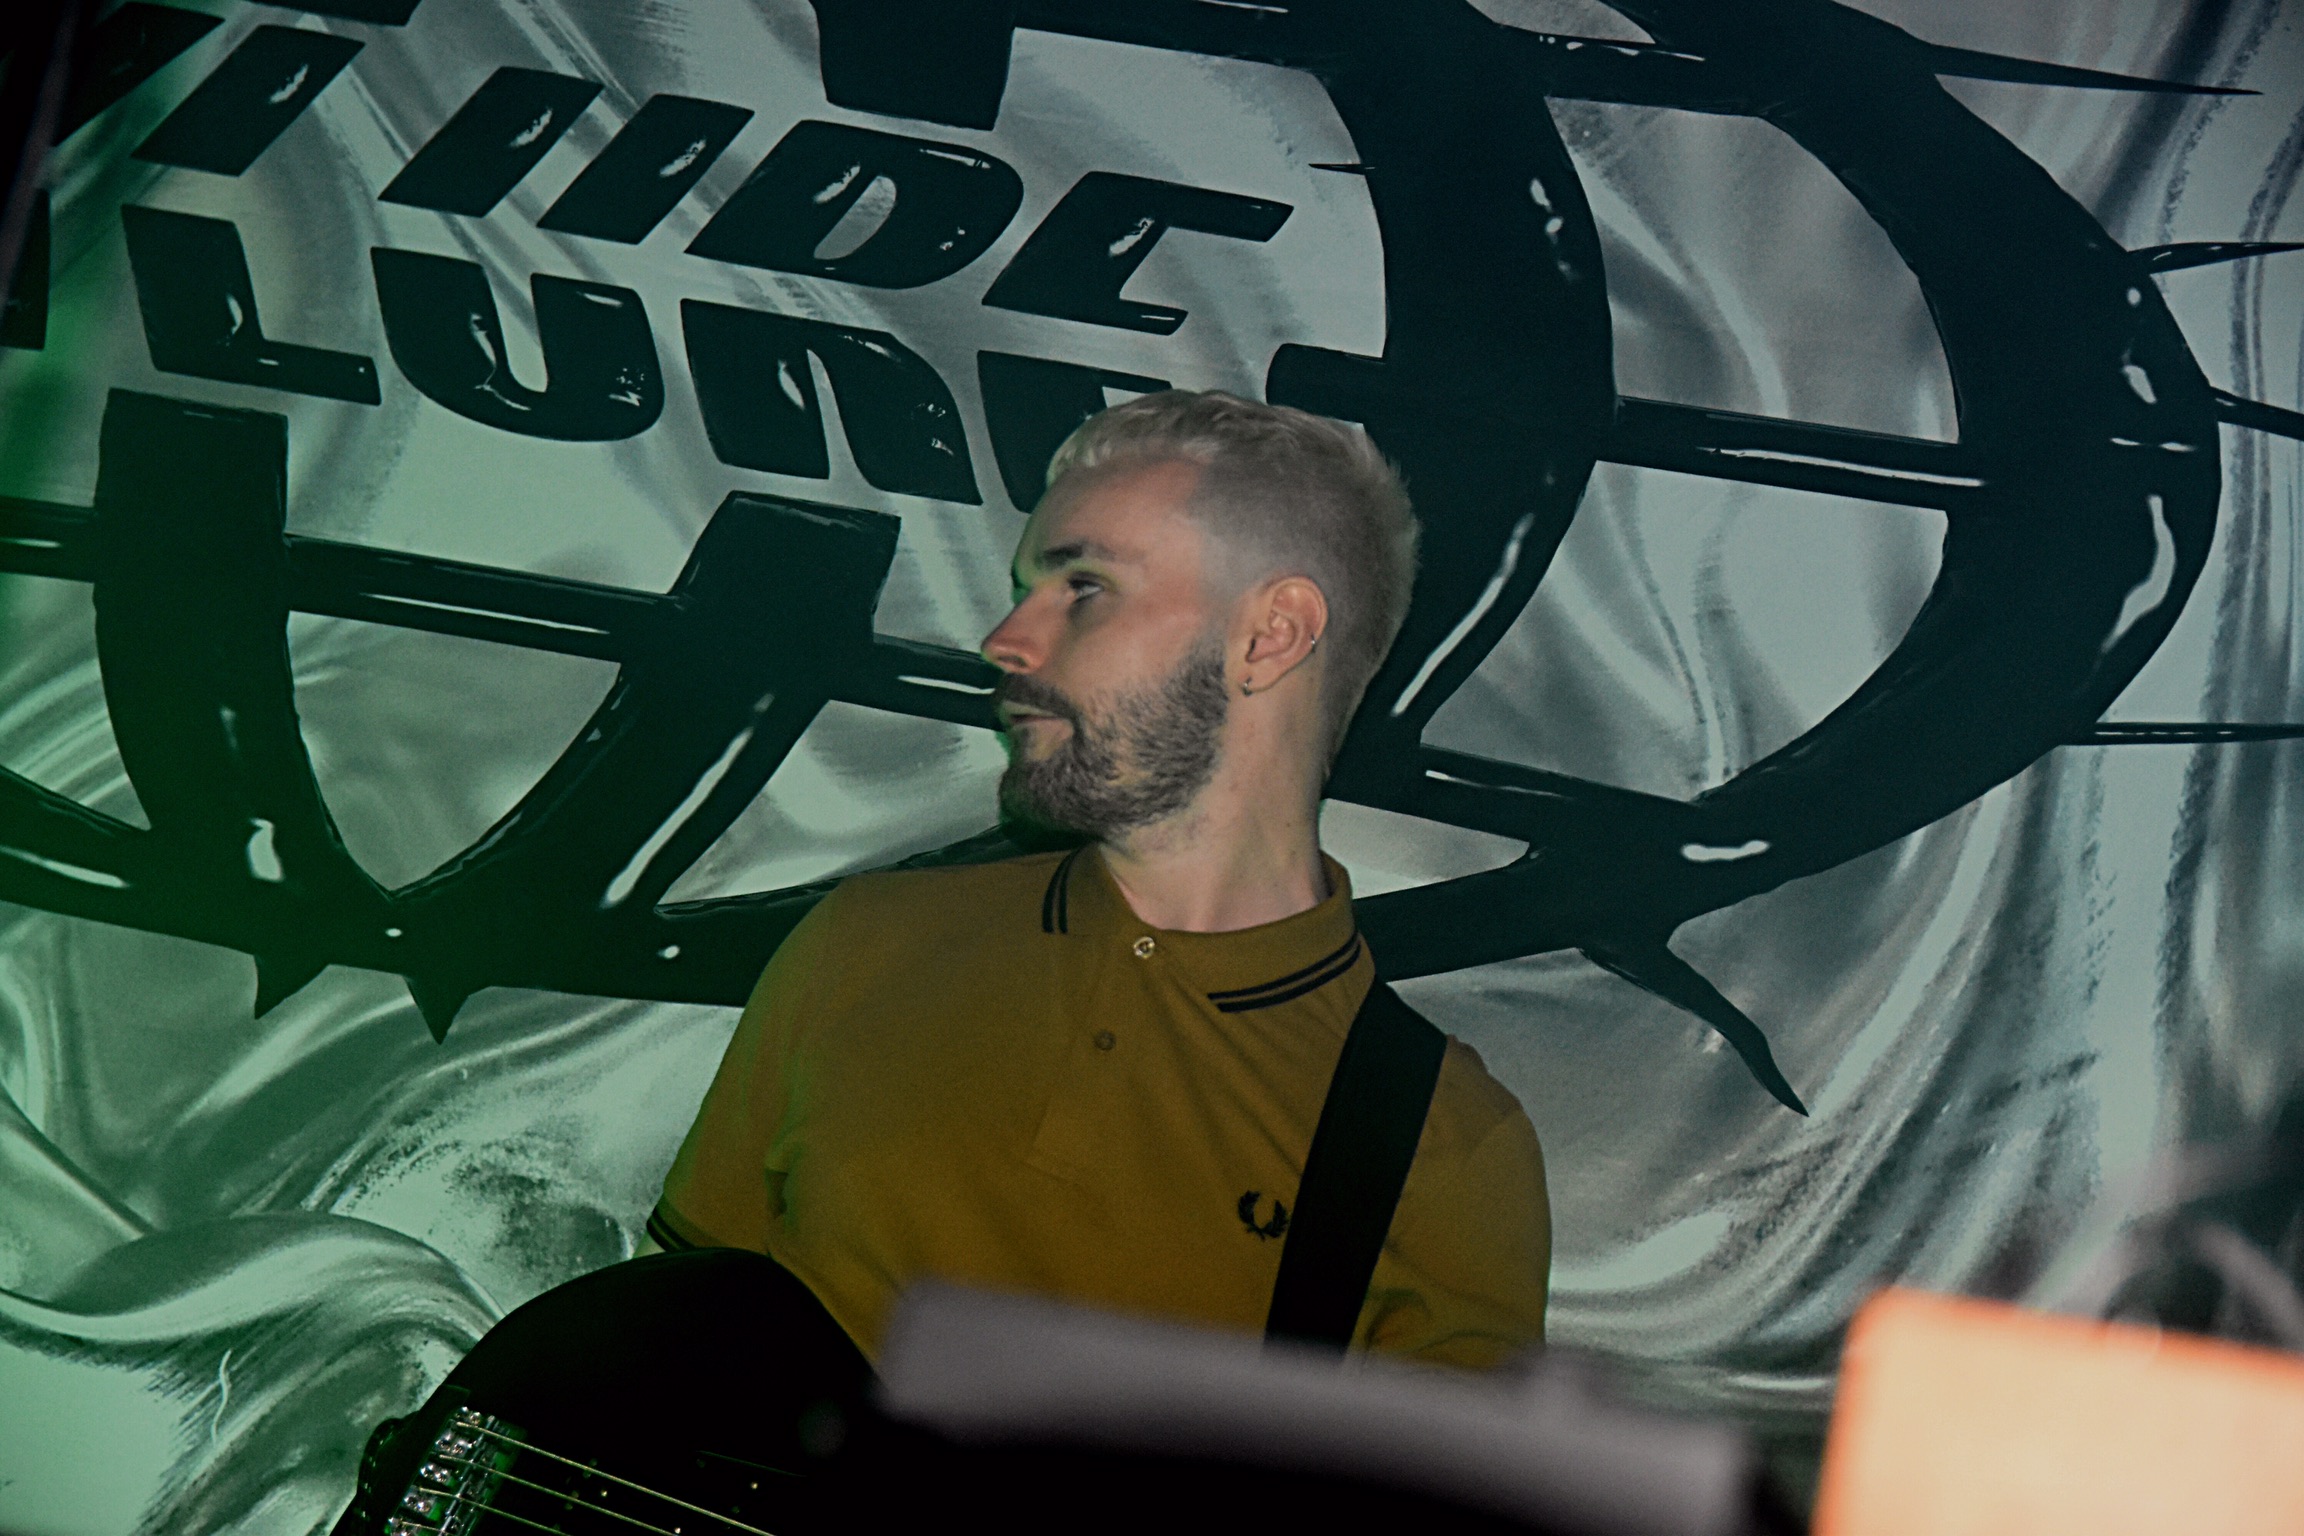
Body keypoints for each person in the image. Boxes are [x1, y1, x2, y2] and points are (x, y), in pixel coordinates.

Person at [642, 391, 1549, 1368]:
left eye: (1082, 588)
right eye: (1023, 589)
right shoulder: (862, 941)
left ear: (1272, 636)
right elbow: (658, 1364)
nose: (1005, 640)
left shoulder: (1443, 1145)